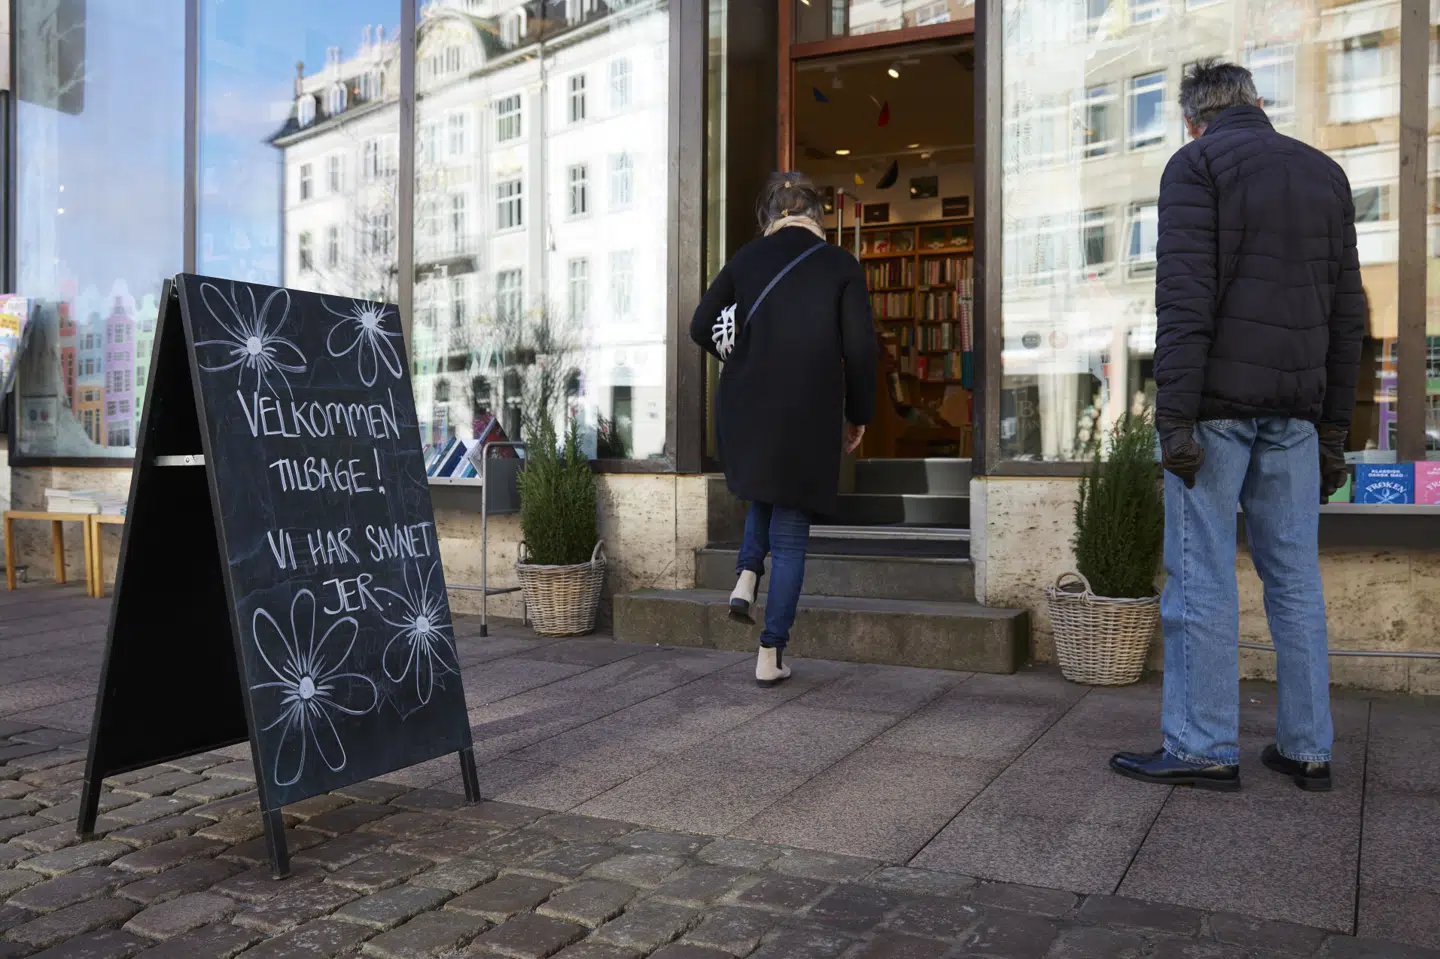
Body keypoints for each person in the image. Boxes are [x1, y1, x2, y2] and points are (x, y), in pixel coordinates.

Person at [1110, 59, 1366, 792]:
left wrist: (1173, 419)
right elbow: (1349, 317)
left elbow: (1183, 302)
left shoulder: (1195, 167)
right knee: (1295, 580)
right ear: (1258, 102)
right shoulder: (1326, 175)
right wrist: (1332, 430)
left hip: (1216, 412)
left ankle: (1201, 745)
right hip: (1295, 413)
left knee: (1200, 577)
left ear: (1193, 120)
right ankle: (1308, 748)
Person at [689, 172, 877, 687]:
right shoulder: (840, 264)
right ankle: (769, 653)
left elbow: (700, 324)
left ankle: (747, 573)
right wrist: (858, 413)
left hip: (747, 402)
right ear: (818, 214)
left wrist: (740, 354)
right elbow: (860, 349)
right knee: (791, 537)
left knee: (762, 491)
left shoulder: (747, 258)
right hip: (808, 408)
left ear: (769, 215)